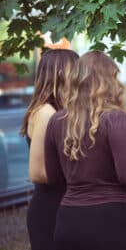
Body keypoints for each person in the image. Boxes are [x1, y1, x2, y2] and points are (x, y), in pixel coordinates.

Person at [44, 51, 126, 250]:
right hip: (111, 220)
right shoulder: (116, 119)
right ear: (110, 80)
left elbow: (53, 178)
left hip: (69, 220)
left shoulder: (56, 120)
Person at [20, 48, 79, 250]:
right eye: (76, 70)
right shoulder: (45, 113)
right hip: (50, 209)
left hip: (62, 206)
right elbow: (37, 173)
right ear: (61, 73)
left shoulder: (57, 112)